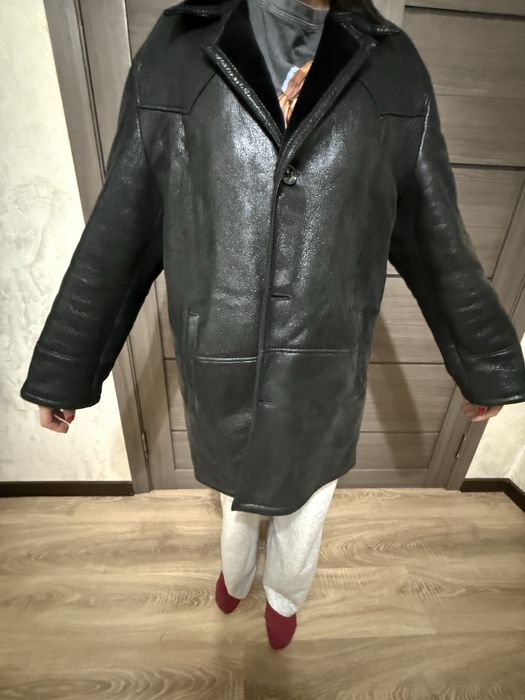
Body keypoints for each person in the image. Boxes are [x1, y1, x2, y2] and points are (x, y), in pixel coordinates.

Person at [23, 0, 520, 652]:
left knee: (307, 508)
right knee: (234, 503)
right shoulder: (176, 50)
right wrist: (67, 366)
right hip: (221, 361)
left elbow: (434, 230)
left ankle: (285, 597)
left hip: (325, 369)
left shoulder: (393, 66)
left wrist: (484, 358)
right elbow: (124, 222)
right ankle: (235, 574)